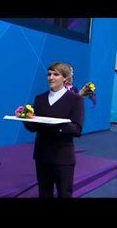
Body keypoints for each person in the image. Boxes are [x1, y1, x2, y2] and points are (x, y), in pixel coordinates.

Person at [23, 62, 84, 198]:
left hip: (63, 157)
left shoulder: (75, 100)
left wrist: (56, 124)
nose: (51, 77)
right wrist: (24, 118)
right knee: (44, 193)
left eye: (56, 74)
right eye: (49, 74)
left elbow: (77, 129)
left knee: (64, 194)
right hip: (42, 155)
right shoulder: (40, 99)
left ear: (65, 78)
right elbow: (33, 127)